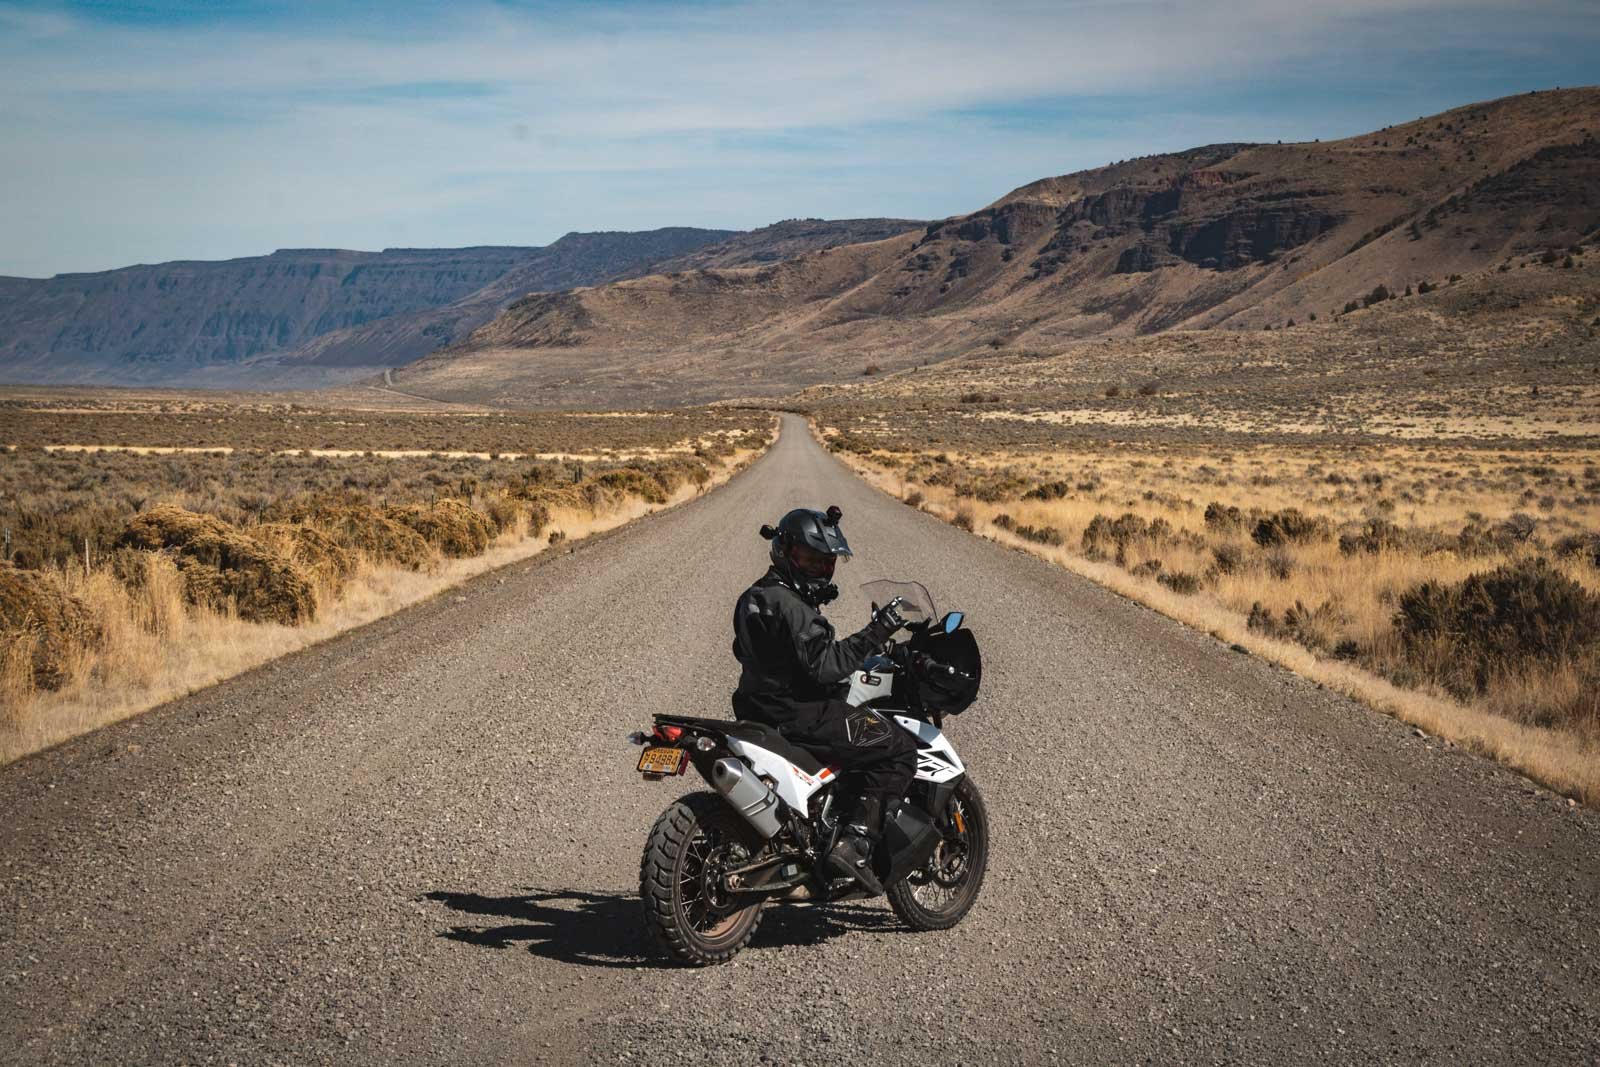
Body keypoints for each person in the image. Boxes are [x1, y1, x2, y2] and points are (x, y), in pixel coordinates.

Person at [730, 504, 917, 895]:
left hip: (758, 709)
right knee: (897, 746)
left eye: (826, 563)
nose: (818, 569)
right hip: (805, 715)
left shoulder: (753, 596)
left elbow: (744, 650)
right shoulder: (793, 607)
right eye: (809, 560)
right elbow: (827, 668)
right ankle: (855, 844)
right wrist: (877, 631)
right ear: (784, 552)